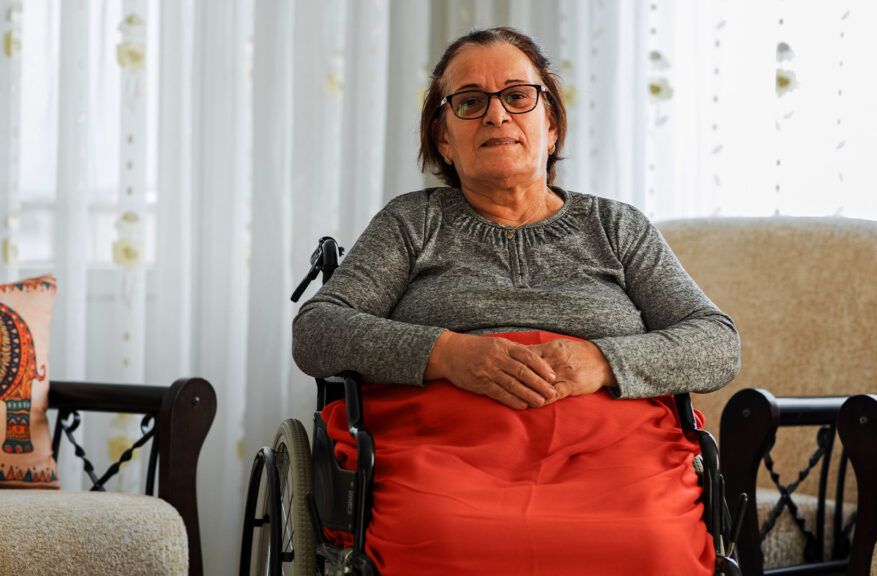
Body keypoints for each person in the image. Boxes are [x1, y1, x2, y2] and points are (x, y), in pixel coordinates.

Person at [293, 27, 740, 575]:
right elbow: (316, 331)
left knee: (649, 538)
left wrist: (601, 362)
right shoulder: (411, 223)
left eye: (517, 96)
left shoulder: (616, 227)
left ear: (550, 125)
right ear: (443, 140)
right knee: (444, 534)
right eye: (470, 102)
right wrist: (449, 355)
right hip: (446, 449)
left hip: (612, 454)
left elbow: (716, 342)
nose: (496, 116)